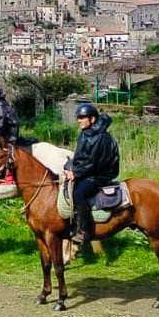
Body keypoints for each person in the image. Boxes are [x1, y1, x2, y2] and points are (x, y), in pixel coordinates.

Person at [64, 103, 120, 247]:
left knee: (79, 193)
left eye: (82, 117)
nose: (79, 120)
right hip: (91, 171)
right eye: (79, 118)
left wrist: (75, 173)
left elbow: (92, 162)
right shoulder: (88, 133)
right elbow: (81, 158)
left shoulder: (99, 137)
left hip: (100, 174)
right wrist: (69, 167)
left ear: (92, 119)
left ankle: (85, 231)